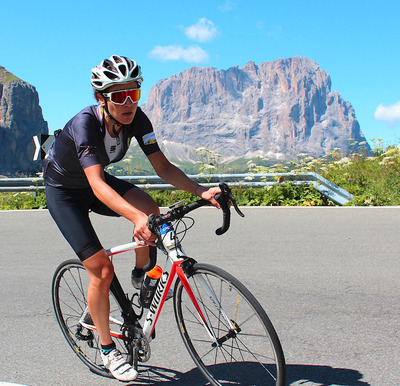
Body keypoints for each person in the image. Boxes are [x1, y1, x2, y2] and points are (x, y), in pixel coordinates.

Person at [43, 54, 221, 381]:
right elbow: (96, 184)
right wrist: (135, 218)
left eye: (134, 94)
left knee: (151, 210)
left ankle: (141, 274)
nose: (128, 103)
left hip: (96, 183)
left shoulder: (138, 120)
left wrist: (201, 192)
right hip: (66, 192)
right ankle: (108, 351)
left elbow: (164, 168)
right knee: (102, 269)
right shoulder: (85, 124)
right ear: (101, 98)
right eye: (119, 96)